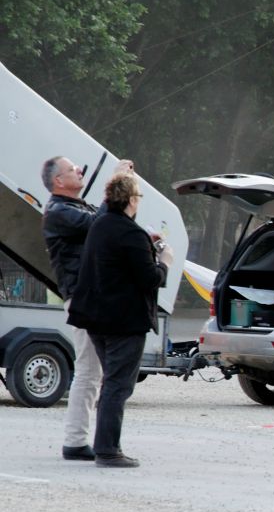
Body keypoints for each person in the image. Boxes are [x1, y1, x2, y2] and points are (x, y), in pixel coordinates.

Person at [68, 172, 174, 467]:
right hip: (124, 323)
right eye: (138, 197)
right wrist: (164, 261)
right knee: (118, 384)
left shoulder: (100, 225)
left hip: (95, 319)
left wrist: (145, 247)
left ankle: (104, 445)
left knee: (110, 381)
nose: (139, 202)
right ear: (130, 200)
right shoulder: (131, 234)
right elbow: (149, 278)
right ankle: (108, 449)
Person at [41, 155, 134, 461]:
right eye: (72, 169)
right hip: (82, 299)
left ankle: (80, 439)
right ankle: (76, 440)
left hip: (89, 298)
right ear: (58, 181)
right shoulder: (58, 211)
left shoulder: (73, 207)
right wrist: (116, 183)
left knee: (92, 371)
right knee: (89, 370)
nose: (79, 170)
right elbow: (101, 225)